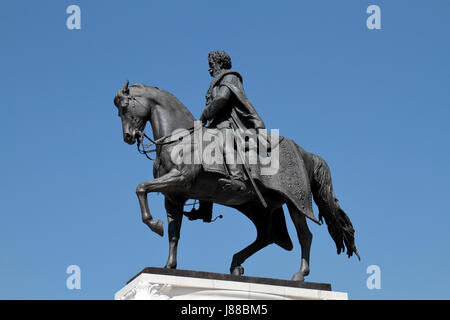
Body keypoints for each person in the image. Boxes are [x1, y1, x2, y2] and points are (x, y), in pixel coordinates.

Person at [186, 51, 266, 222]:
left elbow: (222, 98)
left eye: (211, 64)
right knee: (202, 153)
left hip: (231, 123)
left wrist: (204, 114)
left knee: (224, 137)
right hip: (216, 123)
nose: (209, 68)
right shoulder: (215, 81)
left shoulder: (230, 77)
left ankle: (237, 177)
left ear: (219, 63)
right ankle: (205, 208)